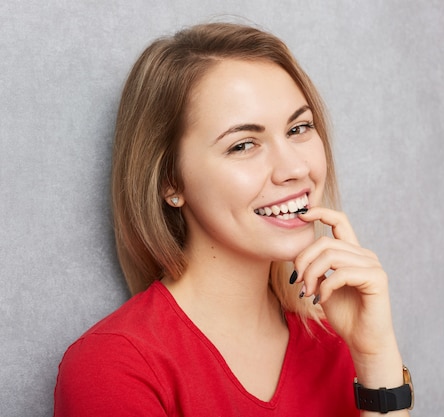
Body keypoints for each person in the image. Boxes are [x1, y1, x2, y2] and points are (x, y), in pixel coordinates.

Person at [54, 22, 413, 416]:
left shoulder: (339, 343)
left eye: (299, 128)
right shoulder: (115, 366)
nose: (294, 168)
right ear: (170, 181)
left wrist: (374, 354)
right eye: (243, 144)